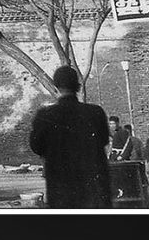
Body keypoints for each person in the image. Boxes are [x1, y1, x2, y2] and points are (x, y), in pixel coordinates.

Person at [29, 65, 111, 208]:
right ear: (78, 86)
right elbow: (104, 140)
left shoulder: (45, 116)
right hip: (94, 189)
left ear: (56, 87)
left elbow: (36, 147)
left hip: (61, 189)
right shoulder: (96, 113)